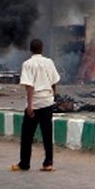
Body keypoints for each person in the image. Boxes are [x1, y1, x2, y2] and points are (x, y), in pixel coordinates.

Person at [10, 39, 60, 172]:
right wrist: (53, 96)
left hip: (36, 102)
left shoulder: (27, 64)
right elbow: (54, 81)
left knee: (27, 135)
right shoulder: (49, 62)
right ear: (42, 48)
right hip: (47, 101)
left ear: (30, 49)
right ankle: (48, 163)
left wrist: (30, 106)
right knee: (47, 134)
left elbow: (29, 86)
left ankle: (24, 164)